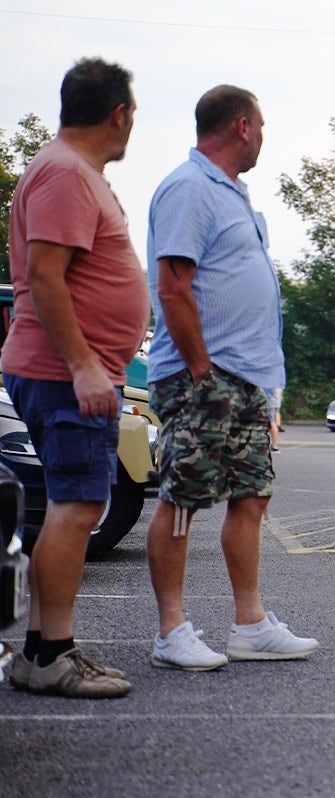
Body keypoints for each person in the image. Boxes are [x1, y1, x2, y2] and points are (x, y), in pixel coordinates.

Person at [145, 84, 318, 672]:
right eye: (262, 127)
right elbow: (173, 286)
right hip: (205, 376)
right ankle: (173, 631)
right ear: (242, 126)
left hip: (246, 379)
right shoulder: (190, 188)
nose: (264, 138)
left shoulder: (233, 195)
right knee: (184, 498)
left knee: (252, 495)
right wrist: (199, 370)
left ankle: (250, 625)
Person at [1, 58, 146, 698]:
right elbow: (44, 277)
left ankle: (43, 651)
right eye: (132, 116)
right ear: (118, 114)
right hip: (66, 373)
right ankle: (50, 655)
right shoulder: (64, 173)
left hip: (66, 369)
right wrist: (86, 364)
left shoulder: (67, 170)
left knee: (73, 502)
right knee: (77, 504)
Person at [264, 385, 283, 452]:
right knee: (273, 420)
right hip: (275, 401)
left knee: (271, 422)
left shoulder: (269, 381)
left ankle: (274, 445)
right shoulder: (276, 379)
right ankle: (273, 445)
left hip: (270, 402)